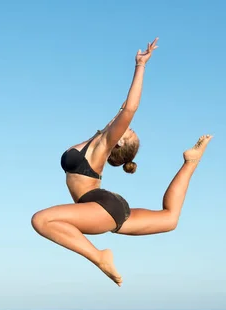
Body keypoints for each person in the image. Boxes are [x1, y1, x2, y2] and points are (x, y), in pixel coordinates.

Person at [31, 37, 213, 286]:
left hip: (100, 206)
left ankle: (99, 257)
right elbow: (122, 109)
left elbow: (129, 109)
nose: (127, 127)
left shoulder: (104, 142)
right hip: (105, 208)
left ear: (118, 142)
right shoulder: (101, 139)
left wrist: (140, 66)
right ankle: (190, 163)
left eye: (128, 132)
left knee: (41, 220)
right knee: (169, 219)